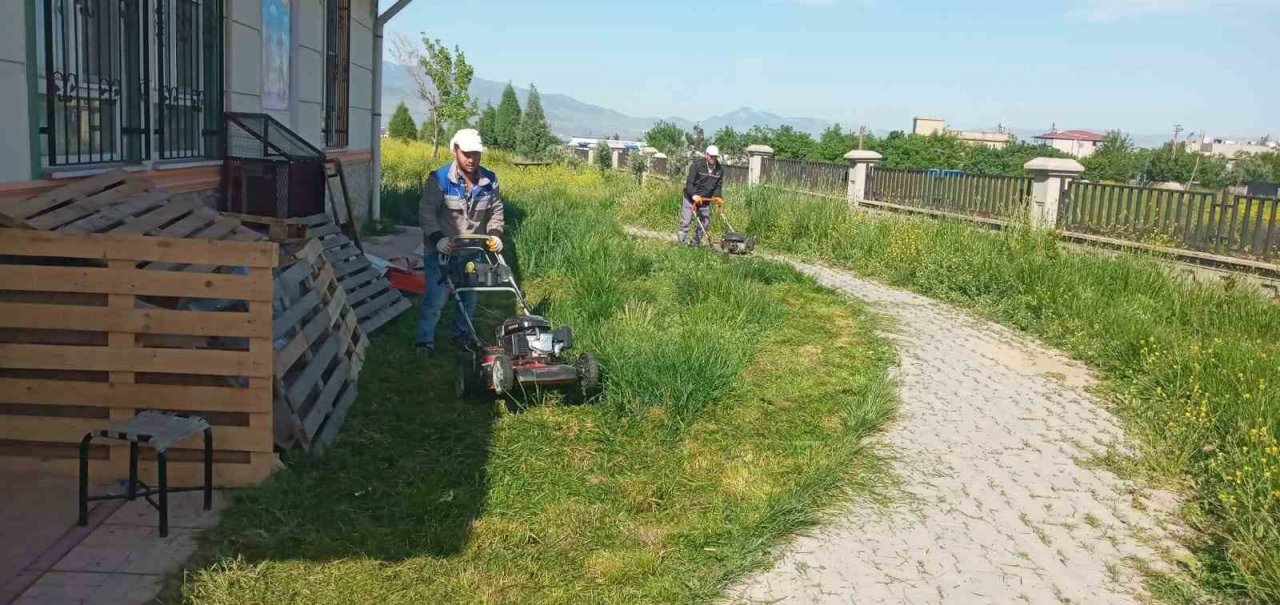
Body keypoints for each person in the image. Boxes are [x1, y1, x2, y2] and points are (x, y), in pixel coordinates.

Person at [415, 129, 505, 353]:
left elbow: (496, 211)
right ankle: (424, 341)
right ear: (455, 150)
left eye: (475, 153)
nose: (471, 158)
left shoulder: (489, 181)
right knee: (435, 300)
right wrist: (437, 239)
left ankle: (460, 336)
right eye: (466, 153)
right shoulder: (439, 179)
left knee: (468, 297)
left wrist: (495, 234)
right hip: (441, 249)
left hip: (471, 250)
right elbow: (426, 213)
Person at [677, 145, 724, 245]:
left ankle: (695, 242)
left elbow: (718, 186)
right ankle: (680, 242)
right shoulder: (697, 165)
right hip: (690, 198)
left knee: (705, 222)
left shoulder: (719, 169)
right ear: (706, 155)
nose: (713, 159)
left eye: (715, 156)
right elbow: (689, 183)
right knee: (686, 221)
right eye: (711, 156)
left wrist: (718, 196)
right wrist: (694, 195)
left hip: (704, 200)